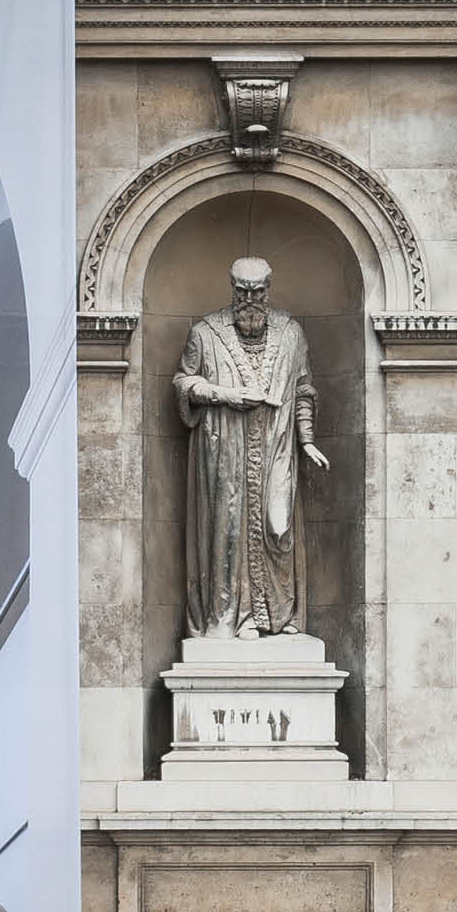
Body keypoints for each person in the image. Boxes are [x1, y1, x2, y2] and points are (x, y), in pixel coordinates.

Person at [175, 255, 327, 642]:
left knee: (279, 525)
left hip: (278, 446)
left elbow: (304, 388)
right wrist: (227, 396)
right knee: (231, 530)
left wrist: (307, 439)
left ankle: (280, 613)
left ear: (268, 290)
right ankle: (239, 616)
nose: (249, 300)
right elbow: (183, 383)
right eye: (242, 292)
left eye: (256, 292)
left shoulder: (291, 333)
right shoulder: (206, 333)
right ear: (232, 289)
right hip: (226, 449)